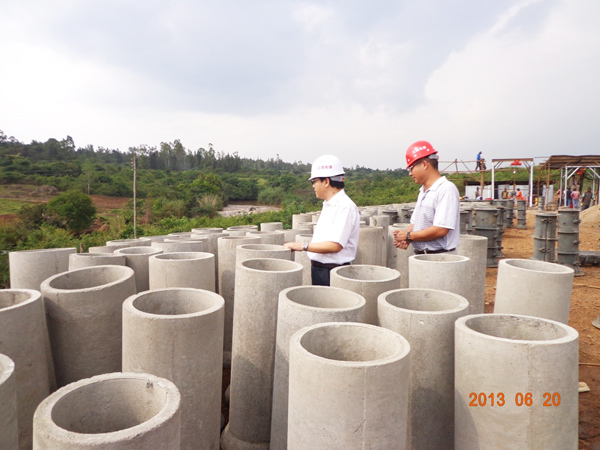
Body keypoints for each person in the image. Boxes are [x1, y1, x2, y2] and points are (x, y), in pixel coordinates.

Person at [283, 154, 360, 286]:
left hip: (332, 272)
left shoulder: (345, 207)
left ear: (326, 182)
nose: (313, 186)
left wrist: (302, 246)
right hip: (320, 270)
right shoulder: (329, 204)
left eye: (314, 181)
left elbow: (335, 245)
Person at [393, 141, 460, 254]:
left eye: (411, 168)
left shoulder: (446, 189)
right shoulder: (423, 192)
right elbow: (415, 223)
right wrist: (406, 237)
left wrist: (409, 236)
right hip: (423, 256)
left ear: (424, 164)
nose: (410, 173)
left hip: (440, 257)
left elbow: (441, 229)